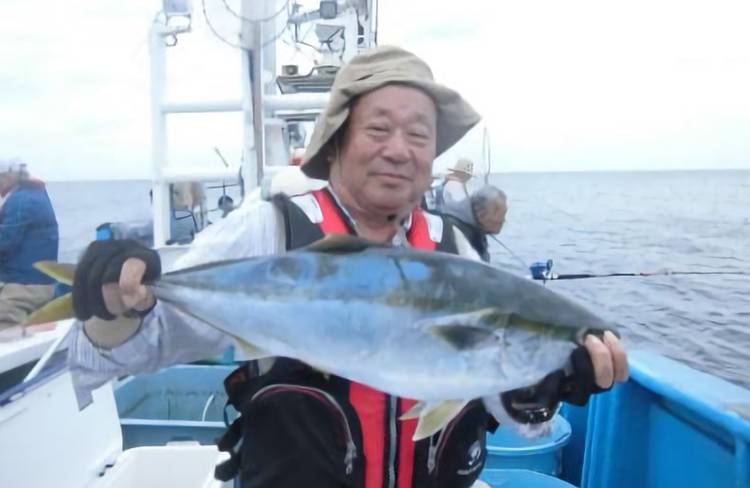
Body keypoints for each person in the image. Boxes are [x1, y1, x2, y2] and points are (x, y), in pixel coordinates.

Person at [66, 46, 628, 488]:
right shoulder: (270, 232)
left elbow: (497, 402)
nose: (399, 149)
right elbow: (133, 349)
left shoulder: (455, 245)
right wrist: (112, 309)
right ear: (336, 142)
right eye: (378, 129)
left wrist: (543, 385)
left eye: (419, 135)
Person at [0, 159, 59, 336]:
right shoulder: (32, 194)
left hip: (25, 285)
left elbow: (5, 242)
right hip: (38, 281)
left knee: (4, 326)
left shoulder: (21, 201)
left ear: (9, 176)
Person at [440, 186, 507, 262]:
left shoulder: (477, 226)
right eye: (500, 216)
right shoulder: (451, 229)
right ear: (481, 214)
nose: (503, 220)